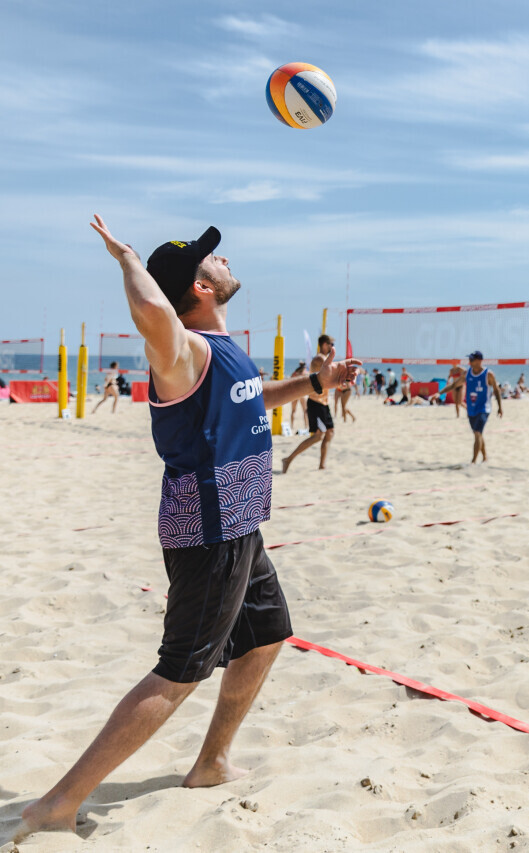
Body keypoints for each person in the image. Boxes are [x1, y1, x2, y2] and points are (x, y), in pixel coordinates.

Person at [11, 217, 361, 845]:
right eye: (211, 260)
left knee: (267, 637)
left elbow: (250, 397)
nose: (224, 261)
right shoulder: (182, 350)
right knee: (179, 671)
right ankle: (57, 805)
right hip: (209, 529)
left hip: (241, 523)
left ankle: (212, 763)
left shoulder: (222, 348)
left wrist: (315, 383)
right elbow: (153, 312)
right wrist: (127, 258)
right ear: (199, 287)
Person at [441, 351, 504, 463]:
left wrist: (500, 407)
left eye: (472, 359)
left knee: (477, 433)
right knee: (478, 434)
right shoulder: (467, 374)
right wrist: (439, 393)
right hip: (471, 409)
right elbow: (454, 385)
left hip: (484, 408)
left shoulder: (488, 374)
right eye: (469, 359)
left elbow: (496, 390)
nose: (469, 361)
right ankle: (485, 457)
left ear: (479, 361)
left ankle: (473, 461)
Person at [282, 353, 338, 472]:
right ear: (324, 344)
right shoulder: (319, 359)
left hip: (324, 403)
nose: (332, 346)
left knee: (330, 433)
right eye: (330, 344)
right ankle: (288, 459)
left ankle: (322, 465)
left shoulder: (323, 359)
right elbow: (323, 376)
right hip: (316, 402)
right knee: (318, 436)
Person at [287, 361, 307, 431]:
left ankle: (292, 426)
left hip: (295, 393)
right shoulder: (305, 373)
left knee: (293, 411)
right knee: (305, 411)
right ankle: (306, 426)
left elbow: (290, 380)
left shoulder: (295, 372)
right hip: (302, 393)